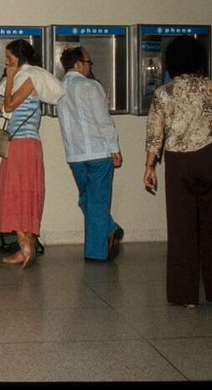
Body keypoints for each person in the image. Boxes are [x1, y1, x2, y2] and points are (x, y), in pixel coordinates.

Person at [143, 36, 212, 308]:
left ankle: (185, 296)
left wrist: (149, 166)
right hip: (211, 159)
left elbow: (155, 132)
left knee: (182, 229)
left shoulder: (164, 92)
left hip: (178, 163)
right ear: (199, 60)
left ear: (170, 63)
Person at [0, 39, 45, 268]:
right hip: (20, 142)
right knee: (14, 192)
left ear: (19, 58)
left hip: (24, 144)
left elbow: (9, 105)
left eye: (9, 59)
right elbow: (14, 107)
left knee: (19, 193)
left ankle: (27, 244)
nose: (7, 63)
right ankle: (23, 244)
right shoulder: (23, 78)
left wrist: (8, 79)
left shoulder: (27, 77)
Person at [57, 46, 123, 262]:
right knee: (97, 201)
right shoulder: (90, 86)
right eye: (88, 62)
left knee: (86, 198)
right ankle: (96, 252)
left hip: (74, 155)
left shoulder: (58, 88)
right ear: (78, 64)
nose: (90, 66)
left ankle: (110, 229)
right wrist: (114, 148)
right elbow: (103, 120)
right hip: (97, 152)